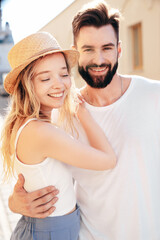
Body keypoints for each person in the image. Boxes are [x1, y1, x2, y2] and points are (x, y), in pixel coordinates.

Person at [8, 1, 160, 240]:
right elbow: (38, 173)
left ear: (119, 49)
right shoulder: (58, 113)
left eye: (107, 48)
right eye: (88, 49)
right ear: (75, 52)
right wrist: (16, 203)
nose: (98, 60)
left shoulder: (154, 96)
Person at [1, 31, 117, 240]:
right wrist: (82, 112)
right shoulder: (41, 132)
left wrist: (13, 202)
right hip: (50, 232)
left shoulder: (30, 123)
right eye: (45, 78)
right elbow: (108, 160)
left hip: (48, 229)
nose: (59, 84)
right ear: (26, 86)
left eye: (64, 74)